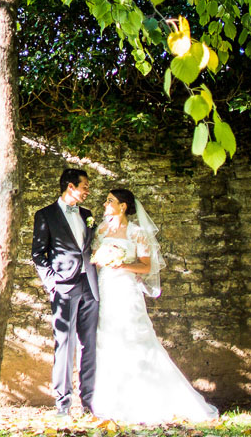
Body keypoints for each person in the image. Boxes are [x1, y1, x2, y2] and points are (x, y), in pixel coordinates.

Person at [89, 188, 219, 423]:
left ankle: (150, 398)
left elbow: (146, 267)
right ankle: (112, 400)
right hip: (106, 291)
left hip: (127, 292)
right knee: (107, 340)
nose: (105, 204)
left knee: (137, 339)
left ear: (123, 206)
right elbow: (95, 259)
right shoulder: (101, 229)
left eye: (110, 201)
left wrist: (121, 265)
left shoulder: (137, 233)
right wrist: (103, 259)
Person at [31, 168, 99, 416]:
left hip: (90, 285)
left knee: (89, 344)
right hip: (65, 287)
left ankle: (89, 402)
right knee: (65, 345)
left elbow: (90, 247)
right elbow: (38, 254)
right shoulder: (45, 215)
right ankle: (63, 404)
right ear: (70, 187)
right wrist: (52, 283)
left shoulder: (88, 215)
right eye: (85, 186)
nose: (87, 191)